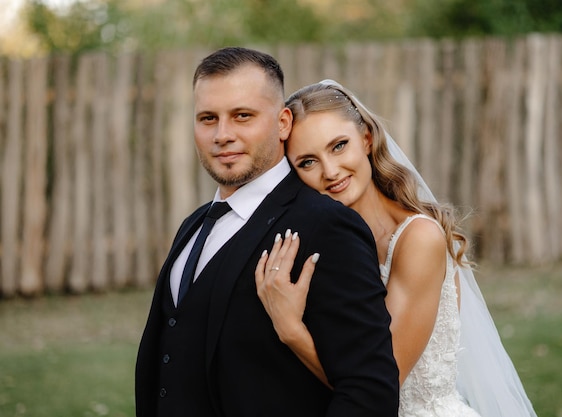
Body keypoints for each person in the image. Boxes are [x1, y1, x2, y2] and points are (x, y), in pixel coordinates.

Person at [135, 49, 399, 417]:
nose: (222, 135)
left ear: (283, 122)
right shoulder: (194, 224)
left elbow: (369, 392)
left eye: (243, 116)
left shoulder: (326, 226)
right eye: (208, 118)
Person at [255, 80, 538, 417]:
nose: (330, 172)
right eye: (307, 162)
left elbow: (380, 380)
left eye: (339, 146)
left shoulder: (418, 239)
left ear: (366, 139)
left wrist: (291, 330)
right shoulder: (318, 246)